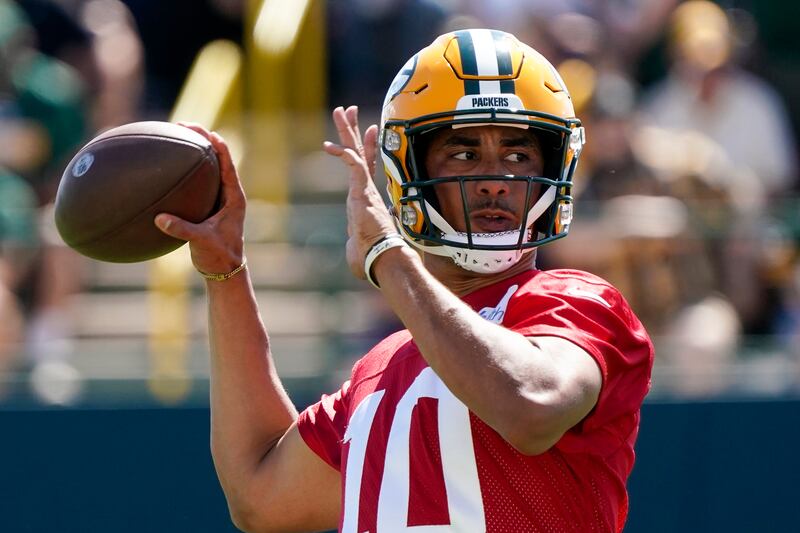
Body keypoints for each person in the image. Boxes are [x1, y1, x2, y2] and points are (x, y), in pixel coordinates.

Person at [154, 29, 653, 532]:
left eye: (519, 155)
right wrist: (225, 269)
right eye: (463, 153)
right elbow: (259, 496)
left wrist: (387, 255)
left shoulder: (578, 302)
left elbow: (532, 405)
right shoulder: (382, 366)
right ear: (407, 170)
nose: (495, 179)